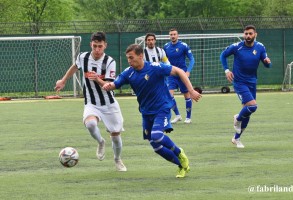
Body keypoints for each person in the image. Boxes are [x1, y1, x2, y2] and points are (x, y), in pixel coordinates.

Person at [102, 44, 201, 178]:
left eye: (131, 58)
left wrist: (191, 90)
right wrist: (109, 85)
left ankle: (179, 152)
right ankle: (182, 166)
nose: (129, 61)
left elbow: (179, 71)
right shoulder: (128, 72)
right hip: (146, 112)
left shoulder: (155, 68)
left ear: (140, 56)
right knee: (156, 147)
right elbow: (115, 83)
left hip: (162, 108)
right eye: (128, 59)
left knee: (156, 136)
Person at [55, 31, 127, 171]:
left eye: (100, 46)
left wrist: (97, 79)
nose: (97, 49)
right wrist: (63, 80)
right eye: (94, 46)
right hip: (91, 102)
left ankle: (117, 159)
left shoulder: (110, 62)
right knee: (90, 124)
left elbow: (109, 86)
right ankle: (100, 142)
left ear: (105, 45)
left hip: (109, 104)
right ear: (91, 44)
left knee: (116, 136)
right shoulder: (83, 57)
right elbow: (75, 67)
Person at [220, 25, 272, 148]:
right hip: (239, 82)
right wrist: (227, 70)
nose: (248, 36)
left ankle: (237, 138)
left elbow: (267, 64)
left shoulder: (260, 47)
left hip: (252, 82)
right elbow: (223, 55)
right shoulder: (237, 47)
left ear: (255, 34)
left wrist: (267, 62)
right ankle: (237, 118)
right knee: (253, 106)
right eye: (246, 34)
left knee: (248, 112)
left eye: (250, 33)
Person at [163, 28, 195, 124]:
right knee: (169, 95)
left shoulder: (183, 46)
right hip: (171, 74)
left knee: (186, 95)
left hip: (182, 74)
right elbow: (163, 60)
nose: (172, 36)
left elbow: (192, 59)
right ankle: (177, 115)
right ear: (169, 36)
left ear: (177, 35)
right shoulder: (166, 47)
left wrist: (188, 71)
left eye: (174, 34)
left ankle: (188, 117)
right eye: (171, 34)